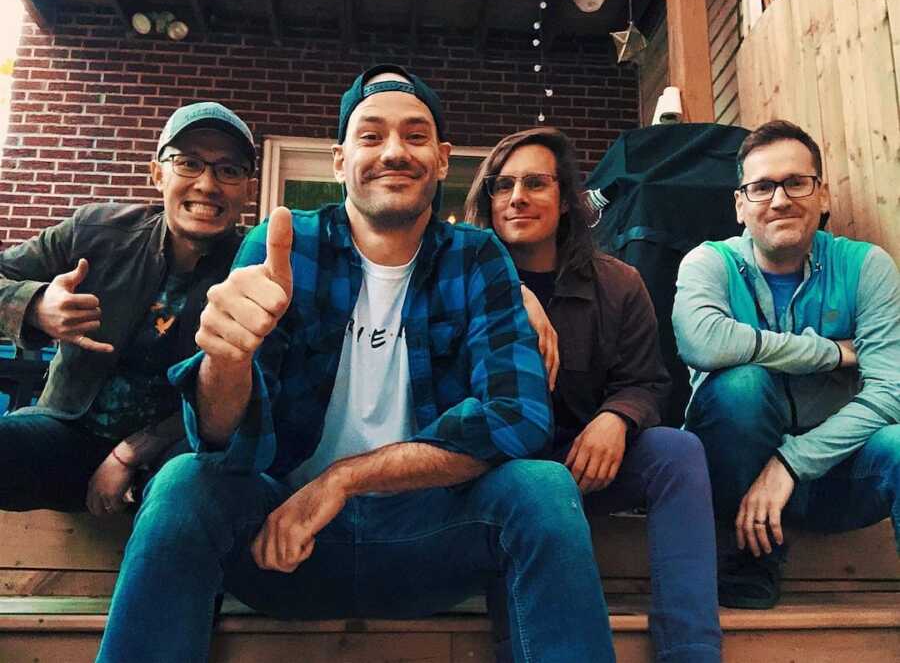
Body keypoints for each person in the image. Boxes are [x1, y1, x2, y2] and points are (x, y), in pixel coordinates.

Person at [96, 65, 614, 662]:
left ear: (443, 159)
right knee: (184, 480)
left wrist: (342, 480)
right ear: (340, 161)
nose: (394, 151)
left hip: (429, 542)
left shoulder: (477, 258)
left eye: (415, 136)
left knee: (543, 486)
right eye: (371, 136)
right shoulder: (284, 246)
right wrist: (226, 364)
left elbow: (518, 419)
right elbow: (222, 446)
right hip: (283, 545)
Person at [465, 127, 722, 663]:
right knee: (535, 487)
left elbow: (647, 381)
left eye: (536, 182)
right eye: (502, 184)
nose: (517, 197)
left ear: (565, 200)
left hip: (587, 460)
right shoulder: (458, 279)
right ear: (486, 200)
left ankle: (690, 648)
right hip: (498, 477)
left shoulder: (619, 284)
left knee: (678, 452)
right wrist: (508, 289)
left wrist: (618, 418)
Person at [673, 119, 900, 609]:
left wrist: (790, 462)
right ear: (739, 204)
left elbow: (890, 392)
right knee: (742, 386)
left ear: (822, 194)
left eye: (797, 182)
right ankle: (750, 556)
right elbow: (703, 344)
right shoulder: (709, 262)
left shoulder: (866, 266)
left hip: (833, 477)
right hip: (730, 478)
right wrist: (832, 352)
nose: (779, 200)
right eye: (761, 187)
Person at [0, 101, 257, 516]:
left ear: (247, 187)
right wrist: (34, 305)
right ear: (157, 173)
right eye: (188, 163)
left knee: (193, 490)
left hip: (177, 458)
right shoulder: (95, 232)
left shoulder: (254, 266)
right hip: (66, 430)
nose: (208, 184)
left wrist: (132, 452)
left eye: (229, 170)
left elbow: (258, 391)